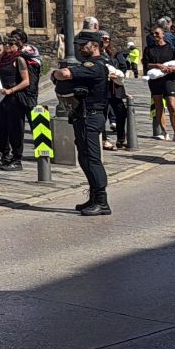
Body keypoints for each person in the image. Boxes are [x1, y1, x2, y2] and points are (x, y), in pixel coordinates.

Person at [51, 32, 115, 215]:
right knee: (84, 157)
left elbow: (64, 74)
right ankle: (94, 197)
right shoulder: (91, 66)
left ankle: (102, 201)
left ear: (94, 45)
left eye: (83, 44)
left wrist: (56, 74)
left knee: (92, 158)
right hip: (84, 115)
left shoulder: (94, 66)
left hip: (91, 116)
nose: (80, 48)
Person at [0, 32, 34, 169]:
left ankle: (17, 159)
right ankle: (5, 155)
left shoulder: (19, 59)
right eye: (6, 43)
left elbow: (26, 81)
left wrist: (11, 90)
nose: (7, 46)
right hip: (2, 98)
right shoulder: (4, 58)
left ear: (17, 46)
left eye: (10, 44)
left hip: (15, 98)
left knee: (15, 129)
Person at [142, 24, 175, 142]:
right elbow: (146, 64)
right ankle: (164, 132)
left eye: (157, 33)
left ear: (163, 35)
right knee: (159, 106)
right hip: (155, 80)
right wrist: (158, 65)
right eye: (153, 34)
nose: (154, 35)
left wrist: (174, 68)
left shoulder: (171, 48)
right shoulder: (149, 49)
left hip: (169, 79)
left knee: (172, 105)